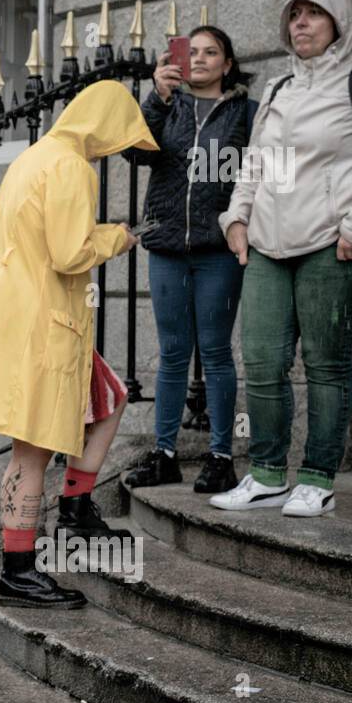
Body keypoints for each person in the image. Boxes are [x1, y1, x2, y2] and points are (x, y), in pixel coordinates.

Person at [0, 81, 155, 609]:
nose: (114, 152)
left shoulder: (35, 157)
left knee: (109, 397)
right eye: (118, 140)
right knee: (31, 453)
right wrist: (119, 237)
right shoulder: (72, 167)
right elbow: (70, 252)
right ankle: (18, 574)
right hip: (44, 325)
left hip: (23, 319)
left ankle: (76, 511)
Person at [213, 0, 352, 516]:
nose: (300, 23)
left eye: (313, 14)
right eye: (294, 15)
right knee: (260, 361)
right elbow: (256, 163)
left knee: (327, 364)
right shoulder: (279, 90)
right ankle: (265, 474)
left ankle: (317, 477)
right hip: (267, 244)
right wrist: (236, 216)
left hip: (335, 246)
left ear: (338, 23)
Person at [123, 26, 257, 494]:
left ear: (227, 63)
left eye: (210, 52)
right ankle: (165, 454)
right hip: (165, 246)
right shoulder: (169, 106)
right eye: (192, 52)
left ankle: (221, 457)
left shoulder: (246, 112)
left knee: (217, 351)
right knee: (173, 353)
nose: (199, 59)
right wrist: (157, 97)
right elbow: (134, 152)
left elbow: (263, 171)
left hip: (218, 248)